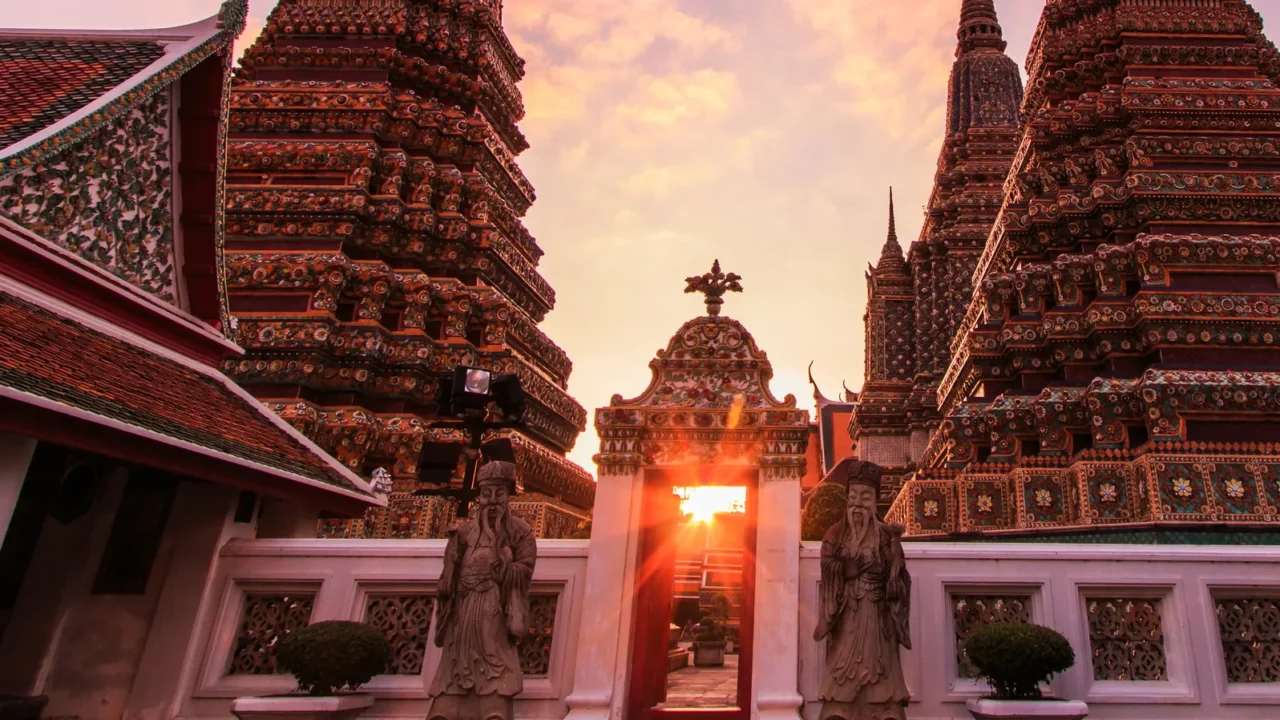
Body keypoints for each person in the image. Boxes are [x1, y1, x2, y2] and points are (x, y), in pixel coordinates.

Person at [428, 460, 537, 720]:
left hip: (493, 605)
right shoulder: (464, 533)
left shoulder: (519, 532)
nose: (492, 501)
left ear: (509, 496)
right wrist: (448, 577)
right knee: (455, 659)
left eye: (499, 494)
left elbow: (526, 569)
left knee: (494, 655)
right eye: (486, 494)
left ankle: (493, 704)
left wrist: (506, 569)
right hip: (464, 608)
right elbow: (448, 576)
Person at [813, 461, 911, 720]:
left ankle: (885, 707)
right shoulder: (836, 533)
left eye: (865, 498)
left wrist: (894, 571)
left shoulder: (885, 536)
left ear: (875, 502)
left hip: (877, 612)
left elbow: (899, 574)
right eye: (853, 498)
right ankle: (840, 707)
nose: (858, 505)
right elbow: (826, 562)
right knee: (844, 660)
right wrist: (845, 569)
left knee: (881, 661)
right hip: (848, 611)